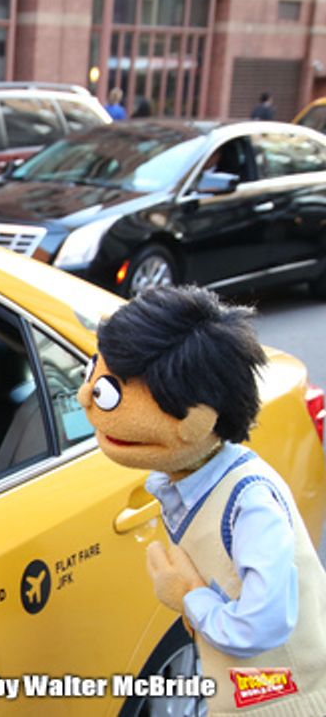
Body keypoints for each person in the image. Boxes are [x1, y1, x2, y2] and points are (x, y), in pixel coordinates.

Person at [79, 286, 326, 716]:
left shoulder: (249, 504)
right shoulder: (188, 477)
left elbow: (262, 624)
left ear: (197, 419)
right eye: (94, 378)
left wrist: (189, 596)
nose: (87, 399)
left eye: (109, 394)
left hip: (285, 703)